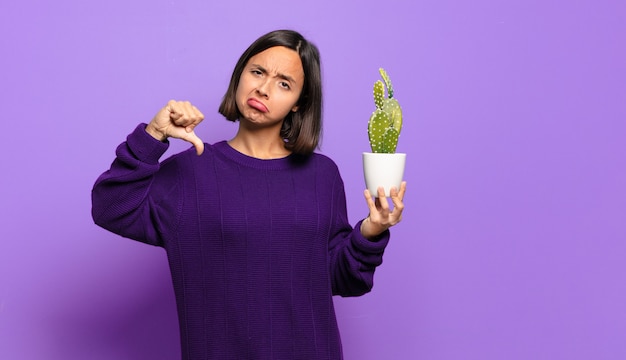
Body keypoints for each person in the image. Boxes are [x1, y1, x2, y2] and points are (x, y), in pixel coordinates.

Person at [91, 29, 406, 360]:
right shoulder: (191, 171)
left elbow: (340, 278)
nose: (264, 89)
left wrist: (371, 231)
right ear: (240, 75)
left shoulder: (322, 176)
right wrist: (154, 135)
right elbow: (111, 208)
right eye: (258, 72)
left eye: (284, 83)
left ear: (300, 103)